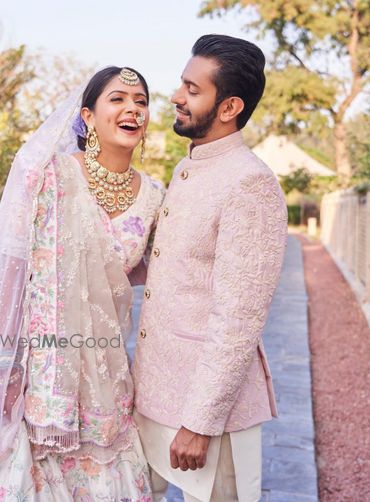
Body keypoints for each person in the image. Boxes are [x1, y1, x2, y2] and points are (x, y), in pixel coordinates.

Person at [0, 66, 165, 501]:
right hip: (40, 374)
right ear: (88, 115)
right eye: (117, 99)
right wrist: (5, 366)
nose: (132, 108)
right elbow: (10, 274)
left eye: (140, 101)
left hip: (107, 378)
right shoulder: (47, 176)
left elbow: (147, 277)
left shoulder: (154, 196)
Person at [133, 34, 288, 502]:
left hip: (208, 415)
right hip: (153, 394)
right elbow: (169, 269)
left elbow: (238, 319)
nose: (177, 97)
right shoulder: (188, 169)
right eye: (182, 84)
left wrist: (200, 423)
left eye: (192, 89)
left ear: (229, 107)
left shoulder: (250, 183)